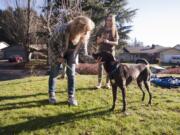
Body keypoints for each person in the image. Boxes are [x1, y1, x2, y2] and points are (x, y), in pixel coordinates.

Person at [48, 16, 95, 105]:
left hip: (72, 54)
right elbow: (51, 43)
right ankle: (51, 94)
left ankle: (71, 96)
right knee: (54, 73)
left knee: (71, 74)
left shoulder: (84, 36)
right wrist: (57, 56)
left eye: (87, 31)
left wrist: (95, 60)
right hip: (57, 51)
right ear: (77, 28)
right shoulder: (62, 30)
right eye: (84, 30)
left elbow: (83, 54)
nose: (86, 33)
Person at [96, 14, 119, 89]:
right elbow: (97, 41)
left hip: (110, 53)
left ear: (113, 21)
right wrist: (101, 40)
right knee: (100, 67)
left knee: (109, 68)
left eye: (110, 20)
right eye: (107, 20)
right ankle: (99, 83)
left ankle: (107, 83)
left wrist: (108, 41)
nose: (108, 21)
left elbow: (116, 43)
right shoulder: (101, 29)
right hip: (101, 51)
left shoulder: (114, 30)